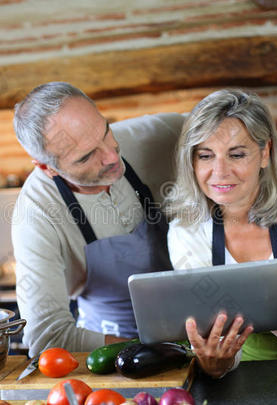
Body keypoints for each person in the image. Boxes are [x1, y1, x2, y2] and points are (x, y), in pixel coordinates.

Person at [165, 89, 277, 378]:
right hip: (238, 380)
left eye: (236, 154)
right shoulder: (185, 230)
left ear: (264, 153)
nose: (220, 172)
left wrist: (256, 308)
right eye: (206, 155)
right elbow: (213, 338)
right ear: (192, 161)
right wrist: (216, 365)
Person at [12, 82, 185, 357]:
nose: (112, 156)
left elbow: (230, 123)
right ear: (47, 168)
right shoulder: (35, 213)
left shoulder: (157, 134)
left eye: (106, 131)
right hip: (109, 352)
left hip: (193, 328)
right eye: (86, 156)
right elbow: (47, 336)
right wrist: (151, 352)